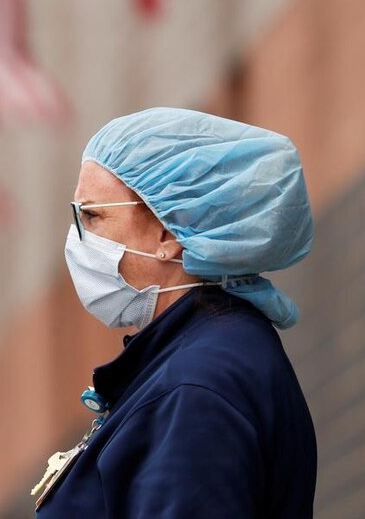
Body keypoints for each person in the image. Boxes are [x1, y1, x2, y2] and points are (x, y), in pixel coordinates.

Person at [33, 108, 317, 518]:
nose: (77, 240)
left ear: (167, 232)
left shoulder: (196, 384)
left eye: (93, 216)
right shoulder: (191, 365)